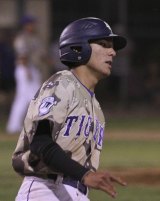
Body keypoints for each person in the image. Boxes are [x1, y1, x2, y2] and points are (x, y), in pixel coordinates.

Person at [12, 17, 127, 201]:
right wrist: (85, 175)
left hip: (73, 191)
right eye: (104, 44)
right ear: (78, 48)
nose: (112, 52)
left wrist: (82, 176)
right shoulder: (62, 83)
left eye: (112, 47)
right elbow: (40, 142)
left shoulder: (96, 108)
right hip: (45, 189)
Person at [6, 15, 48, 134]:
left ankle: (14, 126)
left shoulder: (34, 38)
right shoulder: (22, 38)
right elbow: (22, 55)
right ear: (26, 25)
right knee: (33, 97)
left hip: (32, 69)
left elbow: (40, 55)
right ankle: (34, 124)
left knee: (24, 98)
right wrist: (26, 70)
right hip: (25, 69)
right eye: (31, 23)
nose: (33, 25)